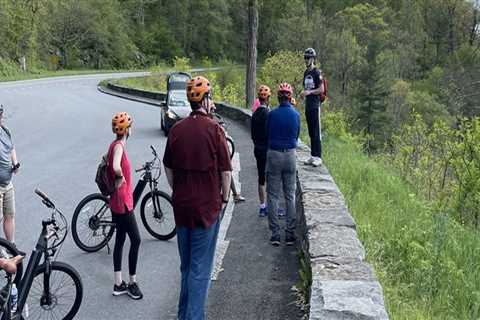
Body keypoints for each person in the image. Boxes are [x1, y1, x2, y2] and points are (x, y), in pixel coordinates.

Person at [163, 76, 232, 320]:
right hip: (206, 209)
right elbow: (226, 172)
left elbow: (168, 168)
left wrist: (178, 189)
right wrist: (224, 200)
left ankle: (184, 315)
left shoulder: (177, 130)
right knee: (200, 270)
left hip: (181, 208)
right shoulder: (215, 130)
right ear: (205, 100)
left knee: (187, 267)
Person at [108, 112, 143, 300]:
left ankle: (118, 283)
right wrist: (120, 177)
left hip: (116, 201)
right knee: (136, 240)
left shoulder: (114, 144)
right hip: (123, 203)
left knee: (120, 240)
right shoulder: (120, 145)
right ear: (127, 129)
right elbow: (114, 166)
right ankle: (131, 283)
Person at [266, 83, 300, 246]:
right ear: (290, 97)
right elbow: (297, 134)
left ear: (278, 97)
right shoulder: (296, 115)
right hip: (291, 156)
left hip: (274, 154)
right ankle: (290, 234)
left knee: (273, 196)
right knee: (290, 195)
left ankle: (275, 234)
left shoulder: (272, 114)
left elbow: (267, 133)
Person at [0, 105, 20, 247]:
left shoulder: (5, 131)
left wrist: (15, 162)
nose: (1, 117)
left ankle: (11, 248)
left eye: (1, 114)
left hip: (8, 184)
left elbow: (11, 148)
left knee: (9, 216)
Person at [300, 48, 324, 167]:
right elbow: (306, 88)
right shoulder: (306, 73)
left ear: (313, 59)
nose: (306, 60)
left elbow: (321, 89)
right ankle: (313, 155)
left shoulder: (317, 73)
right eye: (305, 57)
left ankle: (318, 157)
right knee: (310, 131)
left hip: (315, 105)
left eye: (308, 58)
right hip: (308, 105)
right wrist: (303, 93)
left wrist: (309, 93)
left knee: (316, 131)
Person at [251, 85, 271, 217]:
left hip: (257, 148)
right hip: (268, 149)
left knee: (261, 178)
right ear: (268, 99)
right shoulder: (269, 114)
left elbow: (252, 134)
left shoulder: (255, 114)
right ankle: (271, 205)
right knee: (270, 178)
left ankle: (262, 206)